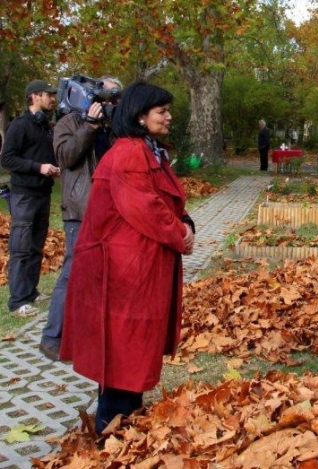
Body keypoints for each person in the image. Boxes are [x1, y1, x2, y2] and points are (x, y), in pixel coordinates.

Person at [59, 81, 196, 434]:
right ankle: (111, 432)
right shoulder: (130, 154)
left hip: (137, 267)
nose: (168, 117)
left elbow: (164, 199)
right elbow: (147, 209)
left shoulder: (149, 150)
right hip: (122, 272)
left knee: (133, 345)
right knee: (123, 347)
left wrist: (186, 221)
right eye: (161, 111)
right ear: (139, 117)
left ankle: (128, 421)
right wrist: (181, 235)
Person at [38, 76, 122, 361]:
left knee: (104, 275)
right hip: (80, 211)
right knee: (72, 273)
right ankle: (52, 337)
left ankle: (89, 333)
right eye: (106, 97)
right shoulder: (70, 122)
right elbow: (66, 157)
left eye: (112, 99)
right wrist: (89, 125)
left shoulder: (112, 127)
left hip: (110, 210)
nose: (108, 103)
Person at [0, 79, 60, 317]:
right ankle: (16, 302)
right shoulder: (19, 125)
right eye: (49, 95)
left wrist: (54, 168)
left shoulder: (45, 126)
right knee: (20, 248)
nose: (53, 99)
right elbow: (7, 159)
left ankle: (31, 292)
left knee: (36, 247)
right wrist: (38, 167)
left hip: (43, 194)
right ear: (35, 96)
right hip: (24, 196)